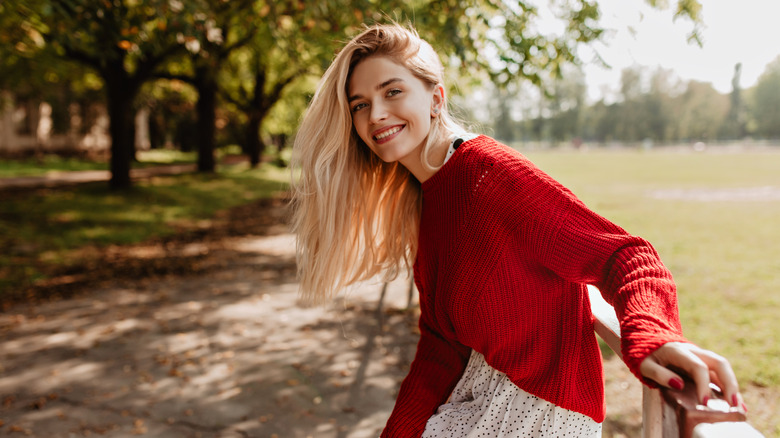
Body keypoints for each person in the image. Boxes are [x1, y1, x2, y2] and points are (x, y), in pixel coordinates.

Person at [290, 23, 746, 437]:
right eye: (360, 105)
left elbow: (626, 256)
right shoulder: (430, 195)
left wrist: (653, 335)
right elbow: (441, 344)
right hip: (475, 400)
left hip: (539, 413)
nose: (376, 115)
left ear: (435, 97)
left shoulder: (489, 175)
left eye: (393, 91)